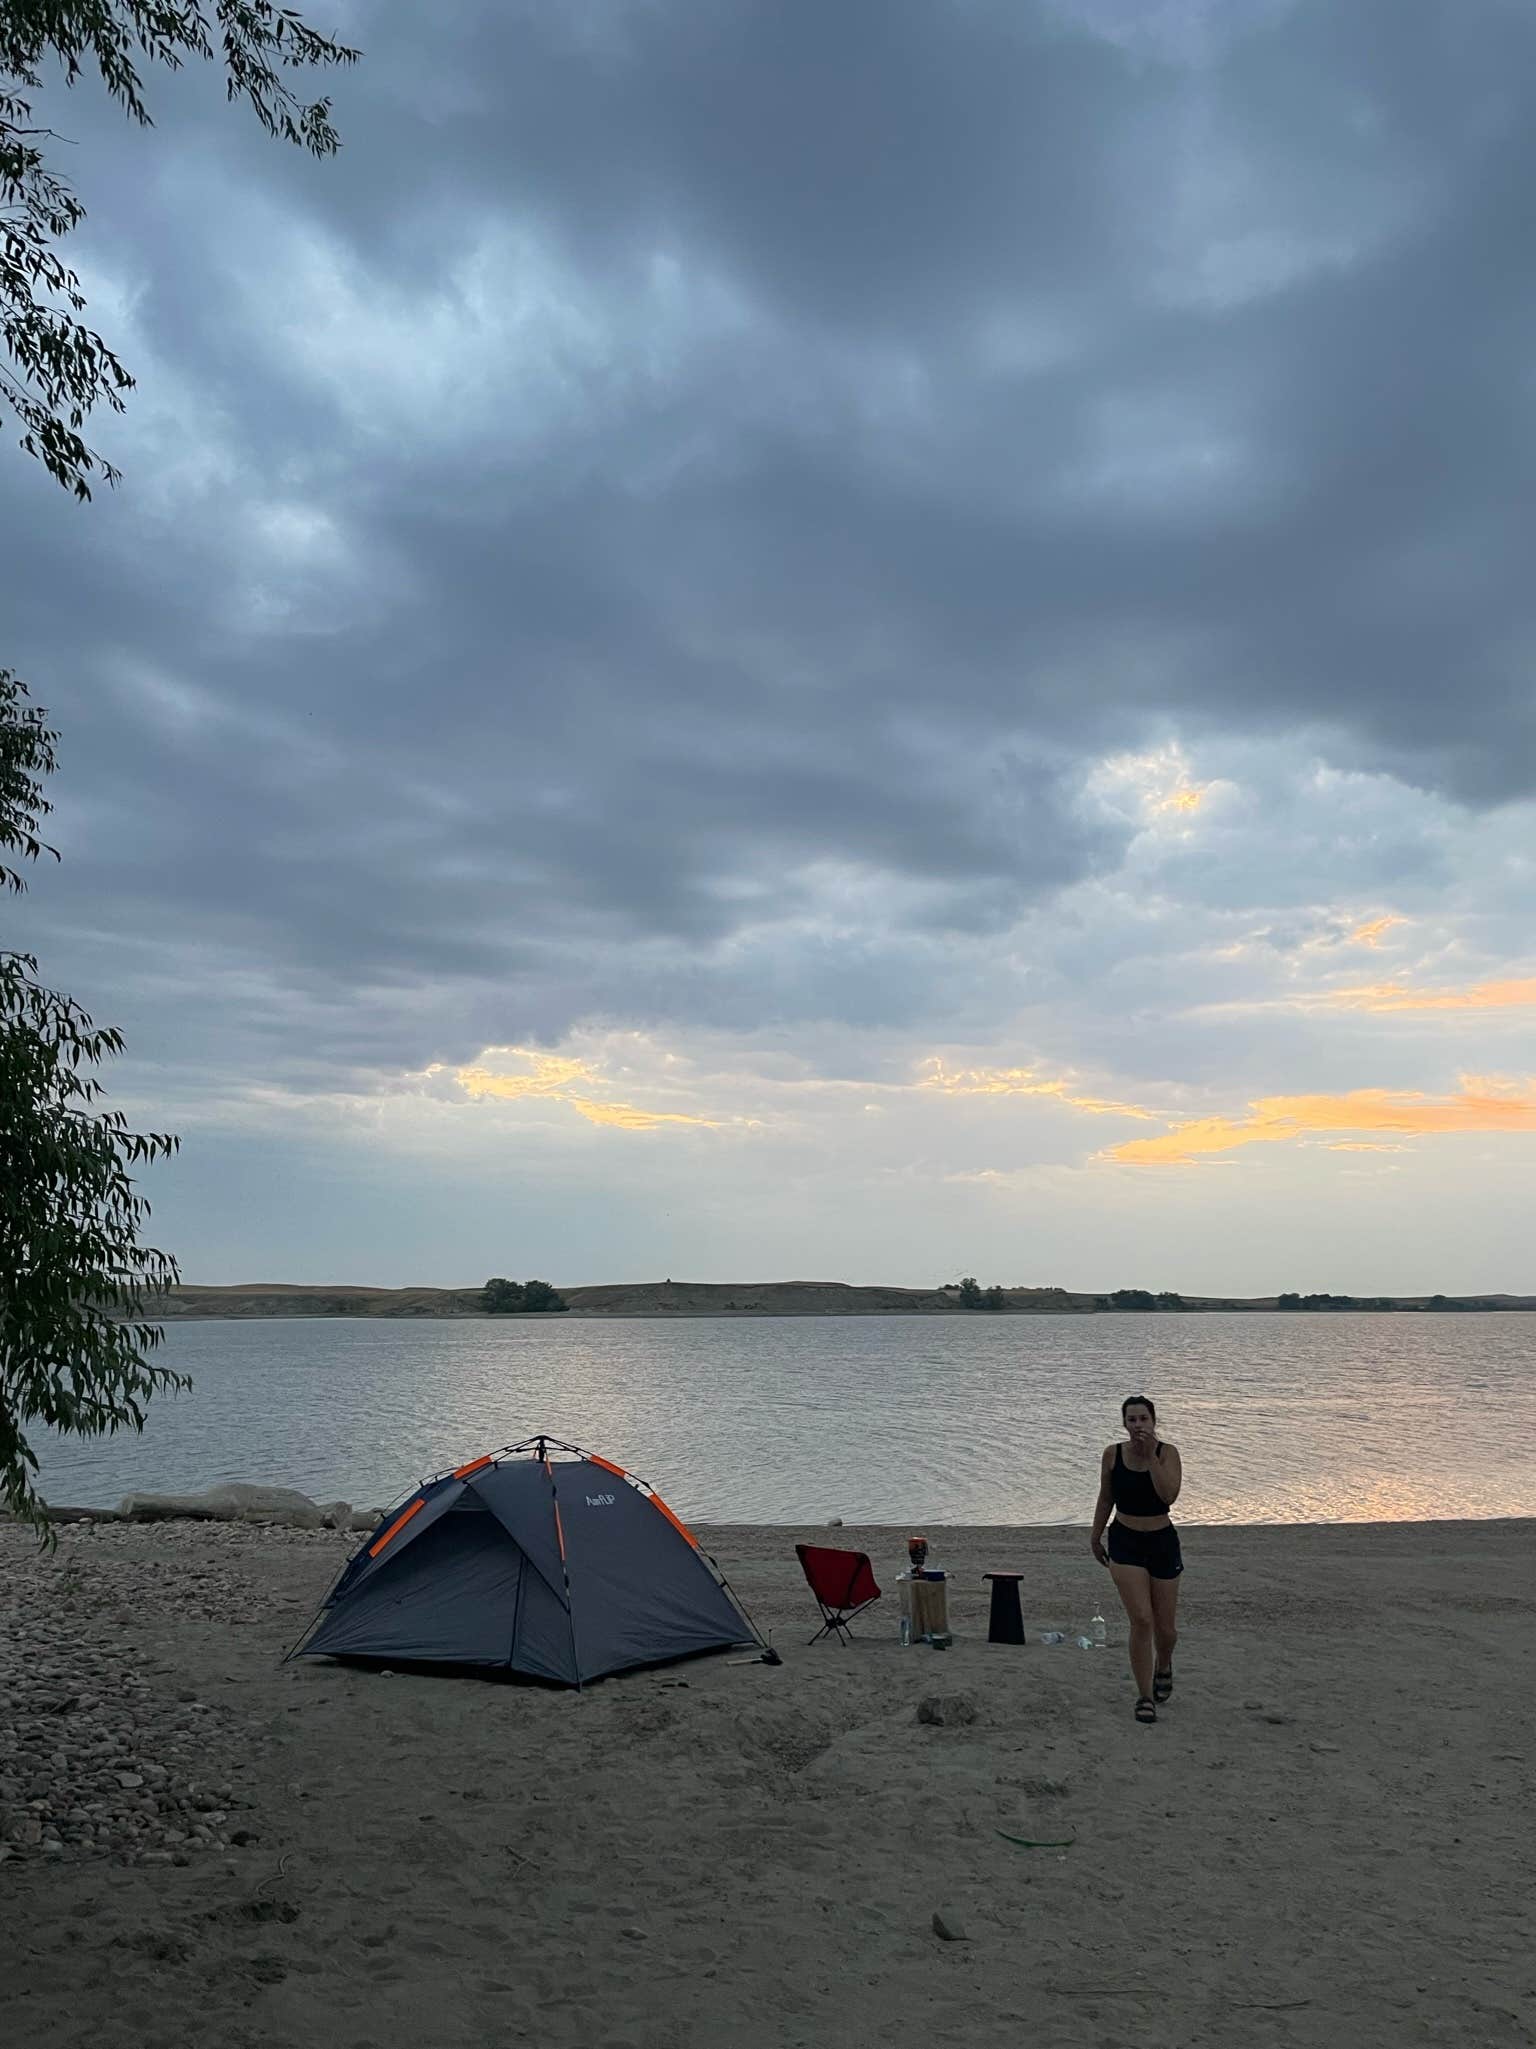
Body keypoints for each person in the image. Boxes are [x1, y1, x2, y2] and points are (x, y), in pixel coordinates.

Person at [1090, 1395, 1183, 1724]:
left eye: (1143, 1419)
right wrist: (1095, 1535)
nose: (1138, 1425)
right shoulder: (1112, 1454)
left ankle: (1165, 1663)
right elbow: (1106, 1497)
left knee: (1166, 1629)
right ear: (1124, 1423)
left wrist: (1151, 1457)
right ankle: (1144, 1696)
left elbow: (1168, 1495)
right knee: (1142, 1620)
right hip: (1125, 1540)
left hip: (1161, 1541)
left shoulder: (1168, 1453)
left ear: (1153, 1421)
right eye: (1132, 1420)